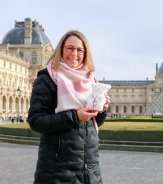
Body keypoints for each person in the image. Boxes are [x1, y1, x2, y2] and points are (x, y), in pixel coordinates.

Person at [28, 30, 110, 184]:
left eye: (80, 50)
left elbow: (92, 125)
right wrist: (75, 116)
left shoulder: (90, 79)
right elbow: (36, 121)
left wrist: (102, 110)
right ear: (61, 50)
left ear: (86, 53)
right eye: (70, 48)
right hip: (57, 172)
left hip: (89, 171)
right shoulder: (47, 79)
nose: (75, 54)